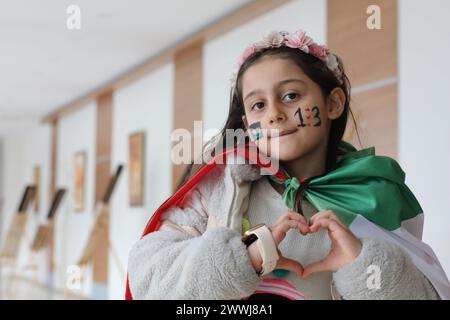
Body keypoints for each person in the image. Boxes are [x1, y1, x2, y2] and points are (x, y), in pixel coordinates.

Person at [126, 29, 450, 300]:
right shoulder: (220, 188)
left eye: (291, 96)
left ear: (333, 103)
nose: (273, 114)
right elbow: (148, 278)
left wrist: (364, 265)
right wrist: (247, 256)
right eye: (258, 105)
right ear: (246, 121)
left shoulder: (373, 192)